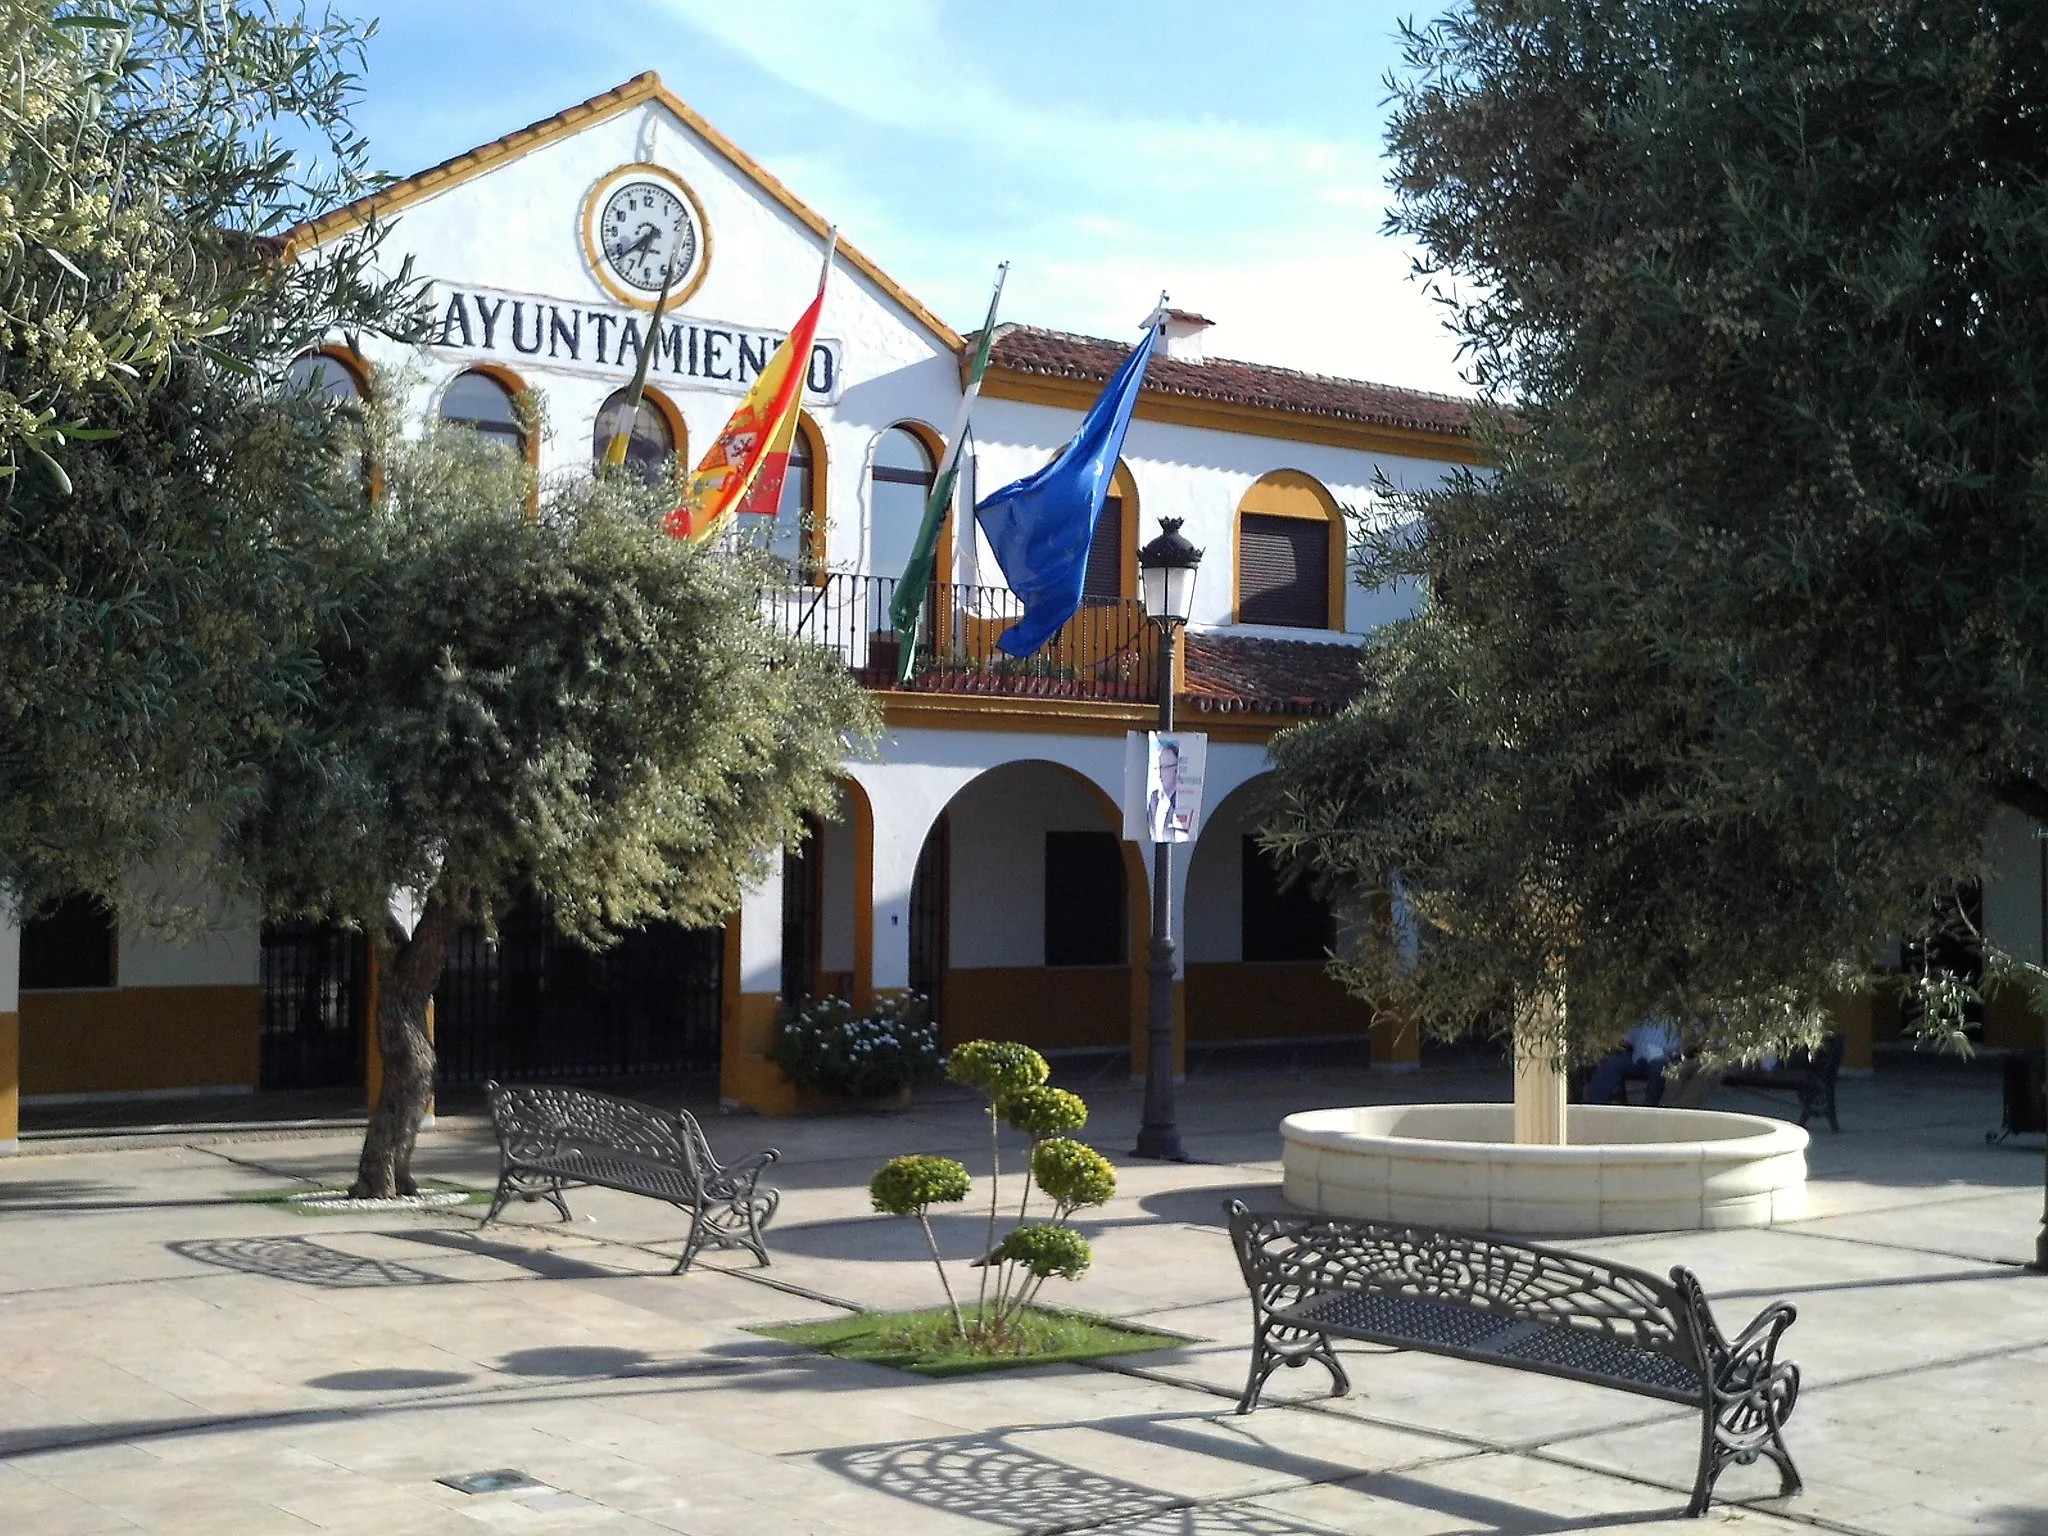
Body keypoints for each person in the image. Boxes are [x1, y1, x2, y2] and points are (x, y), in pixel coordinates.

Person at [1583, 1019, 1680, 1106]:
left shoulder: (1679, 1016)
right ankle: (1592, 1104)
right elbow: (1627, 1041)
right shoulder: (1642, 1015)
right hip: (1637, 1058)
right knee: (1612, 1063)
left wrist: (1676, 1054)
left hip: (1665, 1059)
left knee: (1659, 1065)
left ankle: (1650, 1108)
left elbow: (1689, 1047)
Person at [1146, 739, 1186, 841]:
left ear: (1177, 770)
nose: (1159, 774)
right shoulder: (1154, 799)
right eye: (1158, 767)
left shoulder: (1183, 801)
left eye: (1164, 767)